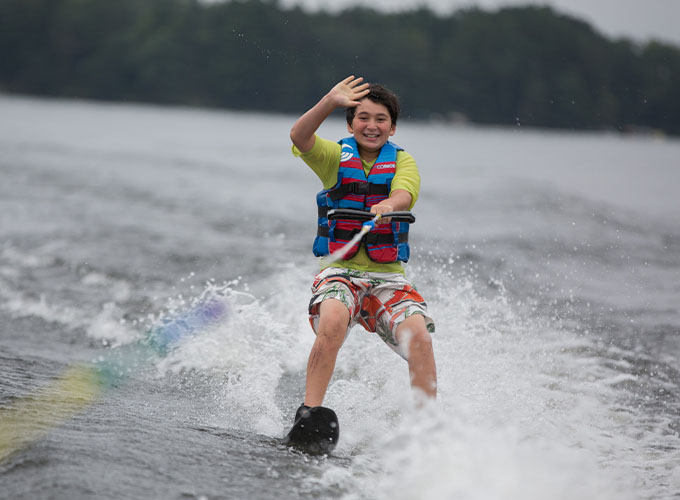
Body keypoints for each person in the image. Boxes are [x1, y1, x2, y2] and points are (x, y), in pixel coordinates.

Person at [289, 75, 437, 424]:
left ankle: (429, 424)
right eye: (363, 118)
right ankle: (309, 413)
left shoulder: (404, 162)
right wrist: (328, 100)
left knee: (419, 337)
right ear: (351, 123)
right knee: (334, 320)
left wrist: (388, 205)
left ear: (393, 127)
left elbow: (404, 193)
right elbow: (299, 136)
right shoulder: (333, 157)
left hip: (387, 277)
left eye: (381, 119)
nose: (372, 126)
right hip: (340, 273)